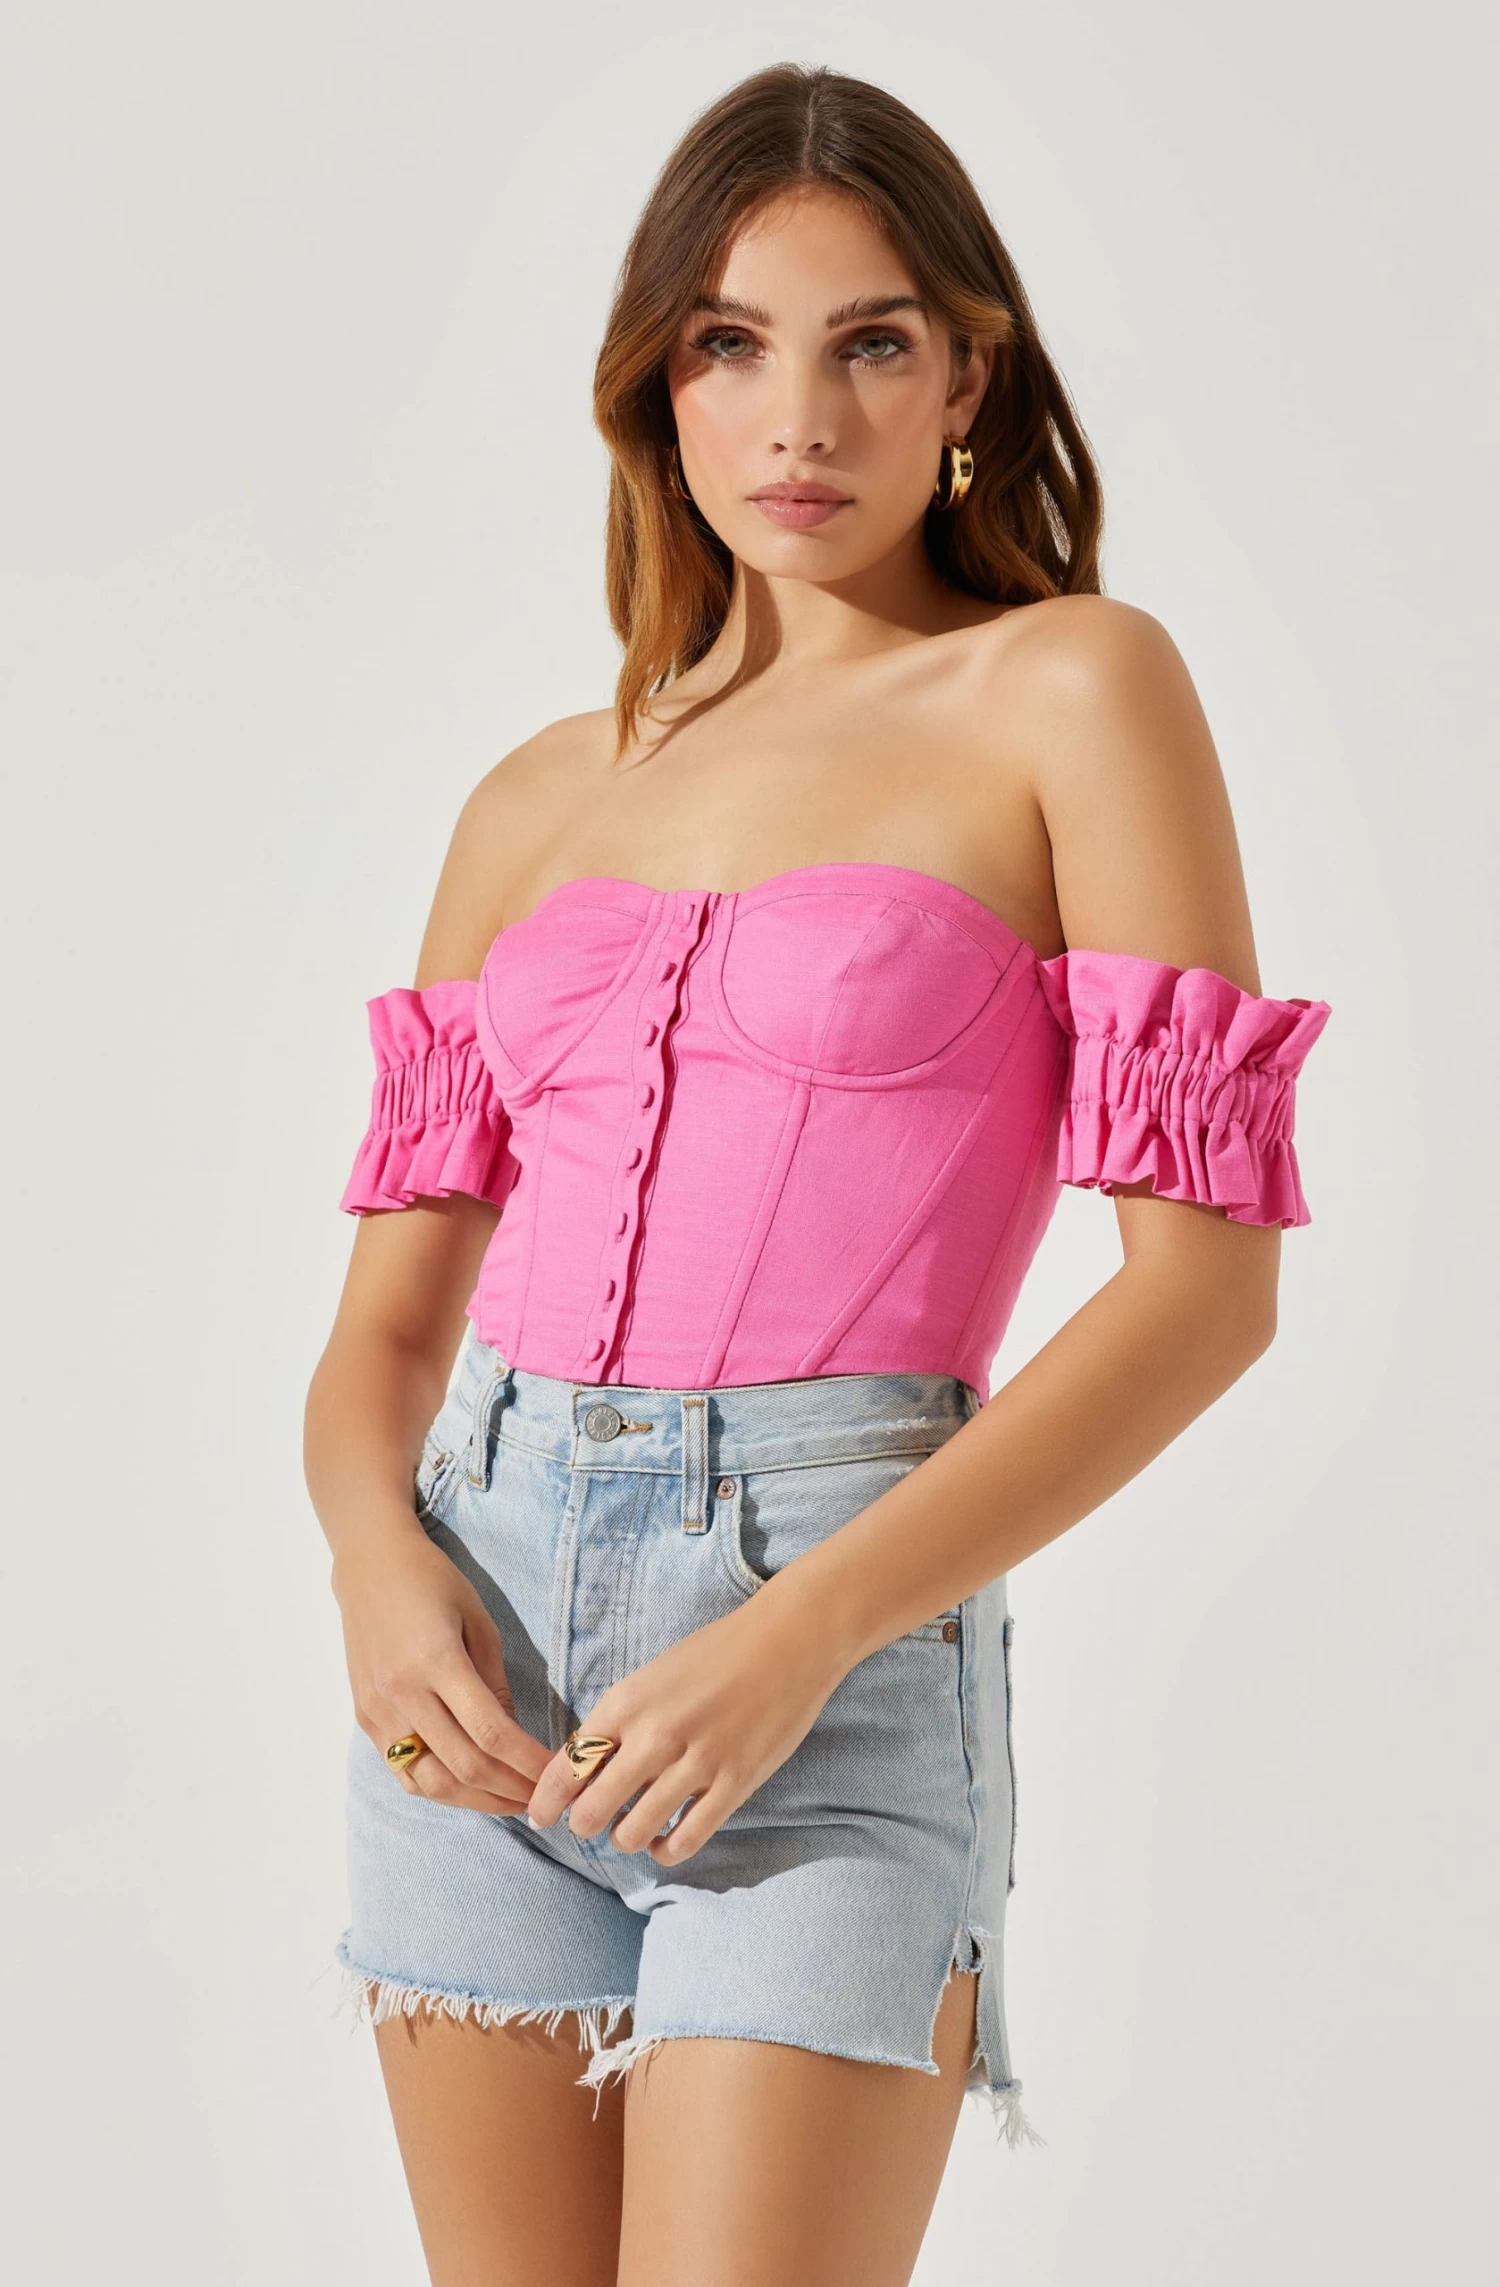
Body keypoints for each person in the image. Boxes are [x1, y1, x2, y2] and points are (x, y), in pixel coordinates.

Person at [302, 60, 1332, 2287]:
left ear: (968, 376)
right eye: (729, 345)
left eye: (871, 342)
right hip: (475, 1645)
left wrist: (803, 1630)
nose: (799, 419)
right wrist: (378, 1573)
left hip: (832, 1650)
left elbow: (1205, 1289)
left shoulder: (1069, 691)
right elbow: (384, 1333)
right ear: (655, 389)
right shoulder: (538, 796)